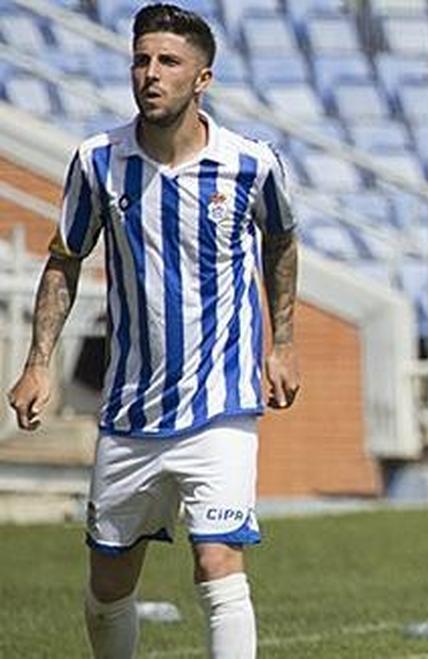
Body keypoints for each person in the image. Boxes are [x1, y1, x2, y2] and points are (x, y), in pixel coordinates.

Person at [6, 4, 299, 657]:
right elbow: (65, 257)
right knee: (109, 581)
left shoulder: (250, 164)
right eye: (141, 59)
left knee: (218, 559)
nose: (149, 74)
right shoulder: (97, 161)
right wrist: (38, 360)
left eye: (168, 62)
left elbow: (280, 241)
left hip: (222, 402)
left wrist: (283, 342)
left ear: (203, 79)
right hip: (131, 408)